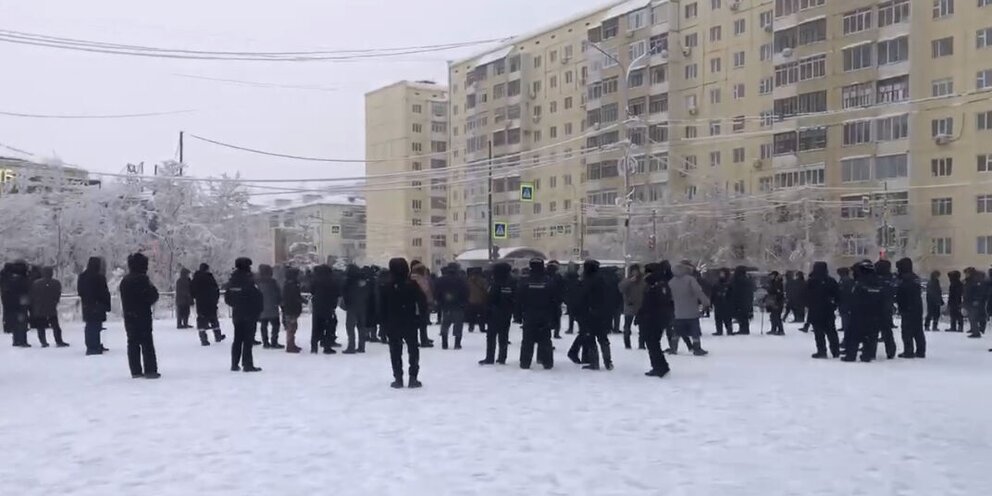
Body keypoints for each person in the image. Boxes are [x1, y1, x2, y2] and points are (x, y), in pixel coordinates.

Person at [379, 258, 426, 388]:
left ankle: (398, 378)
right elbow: (422, 303)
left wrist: (383, 324)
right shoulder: (412, 284)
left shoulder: (387, 286)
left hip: (393, 322)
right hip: (409, 321)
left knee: (395, 351)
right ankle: (413, 377)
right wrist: (421, 319)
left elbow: (382, 308)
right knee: (413, 350)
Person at [119, 253, 161, 379]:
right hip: (143, 314)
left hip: (129, 315)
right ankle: (150, 370)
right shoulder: (143, 280)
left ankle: (135, 370)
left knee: (132, 342)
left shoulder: (125, 281)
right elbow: (152, 296)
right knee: (147, 341)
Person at [516, 258, 557, 370]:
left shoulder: (525, 281)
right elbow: (554, 300)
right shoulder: (548, 281)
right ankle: (547, 362)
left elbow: (519, 299)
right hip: (545, 314)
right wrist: (554, 318)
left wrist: (518, 315)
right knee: (545, 340)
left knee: (527, 341)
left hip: (529, 314)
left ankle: (525, 362)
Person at [225, 257, 263, 372]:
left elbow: (228, 298)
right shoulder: (249, 280)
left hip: (237, 314)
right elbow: (256, 296)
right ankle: (247, 364)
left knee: (237, 339)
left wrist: (236, 305)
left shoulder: (232, 281)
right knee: (248, 340)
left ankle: (234, 364)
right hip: (249, 314)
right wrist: (257, 310)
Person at [843, 261, 886, 363]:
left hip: (859, 313)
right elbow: (883, 299)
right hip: (874, 314)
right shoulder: (878, 282)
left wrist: (849, 308)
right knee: (870, 336)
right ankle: (867, 355)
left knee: (853, 335)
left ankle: (851, 355)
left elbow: (853, 298)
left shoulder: (859, 283)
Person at [637, 262, 673, 378]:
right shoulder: (661, 285)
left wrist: (644, 315)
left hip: (653, 319)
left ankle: (659, 367)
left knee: (653, 344)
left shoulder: (656, 286)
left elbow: (651, 304)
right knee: (654, 344)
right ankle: (661, 366)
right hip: (657, 318)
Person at [667, 260, 711, 356]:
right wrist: (705, 302)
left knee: (677, 332)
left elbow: (669, 296)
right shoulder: (690, 279)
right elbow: (698, 291)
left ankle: (673, 348)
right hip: (691, 310)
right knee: (695, 331)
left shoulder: (671, 282)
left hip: (678, 312)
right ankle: (697, 349)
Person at [480, 262, 515, 365]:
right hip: (506, 313)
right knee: (504, 336)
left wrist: (487, 309)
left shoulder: (495, 283)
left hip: (494, 312)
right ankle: (502, 357)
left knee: (491, 336)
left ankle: (490, 357)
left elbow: (490, 298)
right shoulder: (512, 282)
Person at [77, 257, 111, 355]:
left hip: (87, 304)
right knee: (96, 326)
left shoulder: (82, 276)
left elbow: (80, 291)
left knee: (90, 325)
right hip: (98, 304)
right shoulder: (99, 277)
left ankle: (91, 345)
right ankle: (94, 346)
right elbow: (104, 292)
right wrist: (106, 304)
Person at [805, 262, 840, 358]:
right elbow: (837, 295)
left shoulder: (812, 281)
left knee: (818, 332)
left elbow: (806, 295)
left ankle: (821, 351)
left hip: (815, 310)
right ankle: (835, 351)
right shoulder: (831, 281)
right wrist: (834, 305)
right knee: (831, 331)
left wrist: (809, 305)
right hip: (828, 310)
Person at [895, 258, 926, 358]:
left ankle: (908, 351)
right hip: (917, 306)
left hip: (907, 307)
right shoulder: (915, 277)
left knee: (907, 330)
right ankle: (921, 351)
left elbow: (902, 293)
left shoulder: (904, 279)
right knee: (918, 330)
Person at [30, 266, 67, 347]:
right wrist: (55, 302)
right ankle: (59, 340)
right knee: (55, 325)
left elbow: (33, 295)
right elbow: (58, 294)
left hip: (40, 307)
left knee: (41, 326)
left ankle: (43, 341)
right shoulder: (56, 283)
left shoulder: (36, 283)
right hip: (51, 307)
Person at [435, 263, 469, 350]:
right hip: (458, 305)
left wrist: (440, 301)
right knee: (458, 324)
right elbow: (466, 292)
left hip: (445, 305)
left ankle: (444, 342)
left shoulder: (441, 280)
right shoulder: (461, 280)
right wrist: (464, 302)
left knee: (445, 324)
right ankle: (457, 343)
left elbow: (436, 291)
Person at [191, 264, 226, 345]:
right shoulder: (210, 277)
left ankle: (203, 339)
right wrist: (215, 299)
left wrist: (196, 297)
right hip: (211, 302)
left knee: (201, 320)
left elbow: (191, 290)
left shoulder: (195, 278)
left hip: (200, 302)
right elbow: (216, 289)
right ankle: (218, 336)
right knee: (213, 319)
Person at [342, 264, 373, 354]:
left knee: (350, 327)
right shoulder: (364, 281)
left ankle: (351, 346)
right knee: (361, 327)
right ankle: (361, 346)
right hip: (363, 306)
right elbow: (368, 293)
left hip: (352, 306)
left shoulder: (349, 281)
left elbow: (345, 293)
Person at [310, 264, 340, 354]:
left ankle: (314, 347)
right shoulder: (332, 280)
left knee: (315, 327)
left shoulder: (315, 280)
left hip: (317, 306)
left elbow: (311, 290)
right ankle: (327, 347)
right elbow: (337, 293)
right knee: (328, 327)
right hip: (328, 306)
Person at [2, 261, 32, 347]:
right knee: (22, 322)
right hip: (22, 302)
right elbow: (27, 289)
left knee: (16, 322)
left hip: (12, 303)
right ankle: (23, 340)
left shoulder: (10, 278)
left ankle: (16, 340)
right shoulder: (24, 278)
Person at [874, 259, 898, 359]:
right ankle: (891, 350)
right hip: (887, 307)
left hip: (875, 306)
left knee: (873, 331)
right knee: (887, 330)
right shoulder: (891, 278)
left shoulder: (875, 278)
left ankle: (871, 351)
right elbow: (894, 291)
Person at [618, 264, 646, 349]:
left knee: (642, 327)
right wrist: (629, 281)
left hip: (641, 306)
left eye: (636, 271)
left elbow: (645, 290)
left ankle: (641, 344)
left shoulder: (643, 281)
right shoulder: (627, 280)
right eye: (633, 271)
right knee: (627, 326)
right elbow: (621, 288)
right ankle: (627, 343)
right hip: (629, 305)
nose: (635, 273)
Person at [256, 264, 283, 349]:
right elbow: (278, 293)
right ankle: (274, 341)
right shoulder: (272, 282)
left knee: (264, 325)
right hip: (272, 307)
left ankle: (265, 342)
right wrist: (279, 302)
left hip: (261, 307)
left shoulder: (257, 282)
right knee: (276, 325)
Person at [410, 262, 435, 348]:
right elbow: (427, 292)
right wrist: (430, 302)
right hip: (421, 303)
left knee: (414, 324)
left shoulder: (410, 278)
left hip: (412, 304)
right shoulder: (421, 279)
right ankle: (424, 340)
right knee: (423, 323)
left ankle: (415, 340)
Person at [281, 267, 304, 353]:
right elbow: (294, 297)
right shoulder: (291, 285)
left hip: (290, 308)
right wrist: (300, 301)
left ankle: (291, 344)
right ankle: (290, 346)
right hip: (291, 309)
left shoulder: (289, 284)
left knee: (292, 327)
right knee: (291, 328)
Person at [729, 265, 754, 336]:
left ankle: (743, 330)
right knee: (744, 316)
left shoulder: (737, 280)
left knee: (741, 316)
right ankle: (744, 329)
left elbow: (735, 290)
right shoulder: (747, 280)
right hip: (747, 301)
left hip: (740, 301)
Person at [964, 268, 988, 338]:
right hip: (970, 301)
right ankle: (975, 330)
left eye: (966, 273)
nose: (965, 275)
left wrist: (976, 300)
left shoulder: (975, 281)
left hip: (974, 301)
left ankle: (976, 332)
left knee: (973, 317)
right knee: (972, 317)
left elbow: (978, 292)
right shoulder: (970, 280)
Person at [710, 269, 733, 336]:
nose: (721, 275)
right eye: (720, 274)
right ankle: (719, 331)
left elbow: (732, 294)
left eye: (723, 274)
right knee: (718, 318)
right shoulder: (716, 284)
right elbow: (713, 294)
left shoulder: (729, 284)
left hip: (727, 304)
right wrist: (711, 302)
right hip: (718, 304)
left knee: (727, 319)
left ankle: (729, 330)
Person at [547, 261, 566, 339]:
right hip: (556, 300)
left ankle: (549, 332)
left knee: (547, 318)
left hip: (547, 301)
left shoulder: (545, 277)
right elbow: (563, 288)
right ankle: (556, 333)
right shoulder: (558, 276)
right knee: (557, 318)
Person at [465, 267, 488, 334]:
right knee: (482, 315)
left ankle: (471, 327)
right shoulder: (483, 281)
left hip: (471, 300)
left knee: (471, 315)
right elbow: (486, 289)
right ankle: (482, 328)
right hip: (481, 300)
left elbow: (466, 290)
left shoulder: (468, 281)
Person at [764, 271, 786, 336]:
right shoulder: (773, 282)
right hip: (773, 301)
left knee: (776, 316)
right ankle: (774, 329)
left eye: (772, 275)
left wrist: (775, 298)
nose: (770, 277)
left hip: (777, 302)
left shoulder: (778, 283)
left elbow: (778, 293)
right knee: (773, 316)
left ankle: (780, 330)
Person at [564, 263, 581, 335]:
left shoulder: (567, 278)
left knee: (571, 315)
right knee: (579, 315)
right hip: (577, 298)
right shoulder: (578, 278)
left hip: (570, 298)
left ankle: (570, 328)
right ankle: (581, 328)